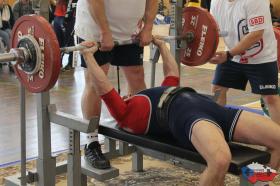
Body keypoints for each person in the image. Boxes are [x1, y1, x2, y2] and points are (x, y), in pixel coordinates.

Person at [79, 37, 280, 186]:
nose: (125, 95)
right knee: (220, 160)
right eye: (123, 96)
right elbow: (103, 84)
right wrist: (89, 57)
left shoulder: (156, 93)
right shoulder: (124, 113)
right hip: (188, 117)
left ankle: (259, 182)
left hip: (214, 109)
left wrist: (162, 47)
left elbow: (172, 72)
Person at [74, 0, 158, 169]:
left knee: (137, 75)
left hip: (129, 30)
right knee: (95, 82)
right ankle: (91, 143)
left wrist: (148, 26)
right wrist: (105, 31)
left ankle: (139, 127)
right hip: (95, 28)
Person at [209, 0, 280, 125]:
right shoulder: (216, 2)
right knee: (217, 90)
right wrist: (207, 52)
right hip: (232, 56)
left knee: (270, 98)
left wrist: (229, 54)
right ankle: (216, 126)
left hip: (261, 57)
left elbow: (256, 34)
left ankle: (277, 140)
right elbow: (213, 29)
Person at [53, 0, 74, 71]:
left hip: (68, 17)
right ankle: (59, 63)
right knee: (57, 42)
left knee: (68, 40)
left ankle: (71, 63)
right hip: (57, 16)